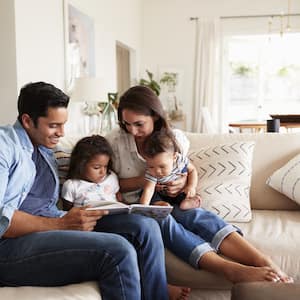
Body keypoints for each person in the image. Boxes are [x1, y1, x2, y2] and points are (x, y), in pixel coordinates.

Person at [0, 81, 185, 300]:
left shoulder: (46, 147)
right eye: (53, 126)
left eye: (63, 124)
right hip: (10, 245)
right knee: (118, 250)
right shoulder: (4, 146)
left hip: (52, 223)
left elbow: (86, 163)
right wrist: (61, 224)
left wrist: (177, 177)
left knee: (144, 226)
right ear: (28, 121)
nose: (61, 133)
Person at [106, 85, 293, 283]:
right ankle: (230, 270)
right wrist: (144, 180)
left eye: (139, 124)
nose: (132, 131)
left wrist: (182, 183)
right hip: (139, 202)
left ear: (155, 117)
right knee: (163, 220)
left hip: (171, 197)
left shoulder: (174, 139)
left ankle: (265, 262)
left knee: (196, 215)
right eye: (127, 124)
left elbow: (185, 170)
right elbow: (107, 185)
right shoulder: (115, 142)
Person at [140, 129, 201, 210]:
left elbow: (192, 170)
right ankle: (159, 204)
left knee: (186, 193)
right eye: (151, 166)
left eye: (162, 166)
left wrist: (191, 186)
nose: (157, 171)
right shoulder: (151, 172)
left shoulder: (180, 161)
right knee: (145, 193)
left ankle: (188, 202)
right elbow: (149, 190)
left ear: (174, 157)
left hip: (178, 193)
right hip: (162, 194)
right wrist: (143, 208)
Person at [61, 135, 122, 210]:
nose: (102, 172)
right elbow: (67, 211)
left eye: (105, 166)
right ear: (81, 165)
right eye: (97, 167)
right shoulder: (72, 185)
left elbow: (118, 199)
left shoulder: (111, 177)